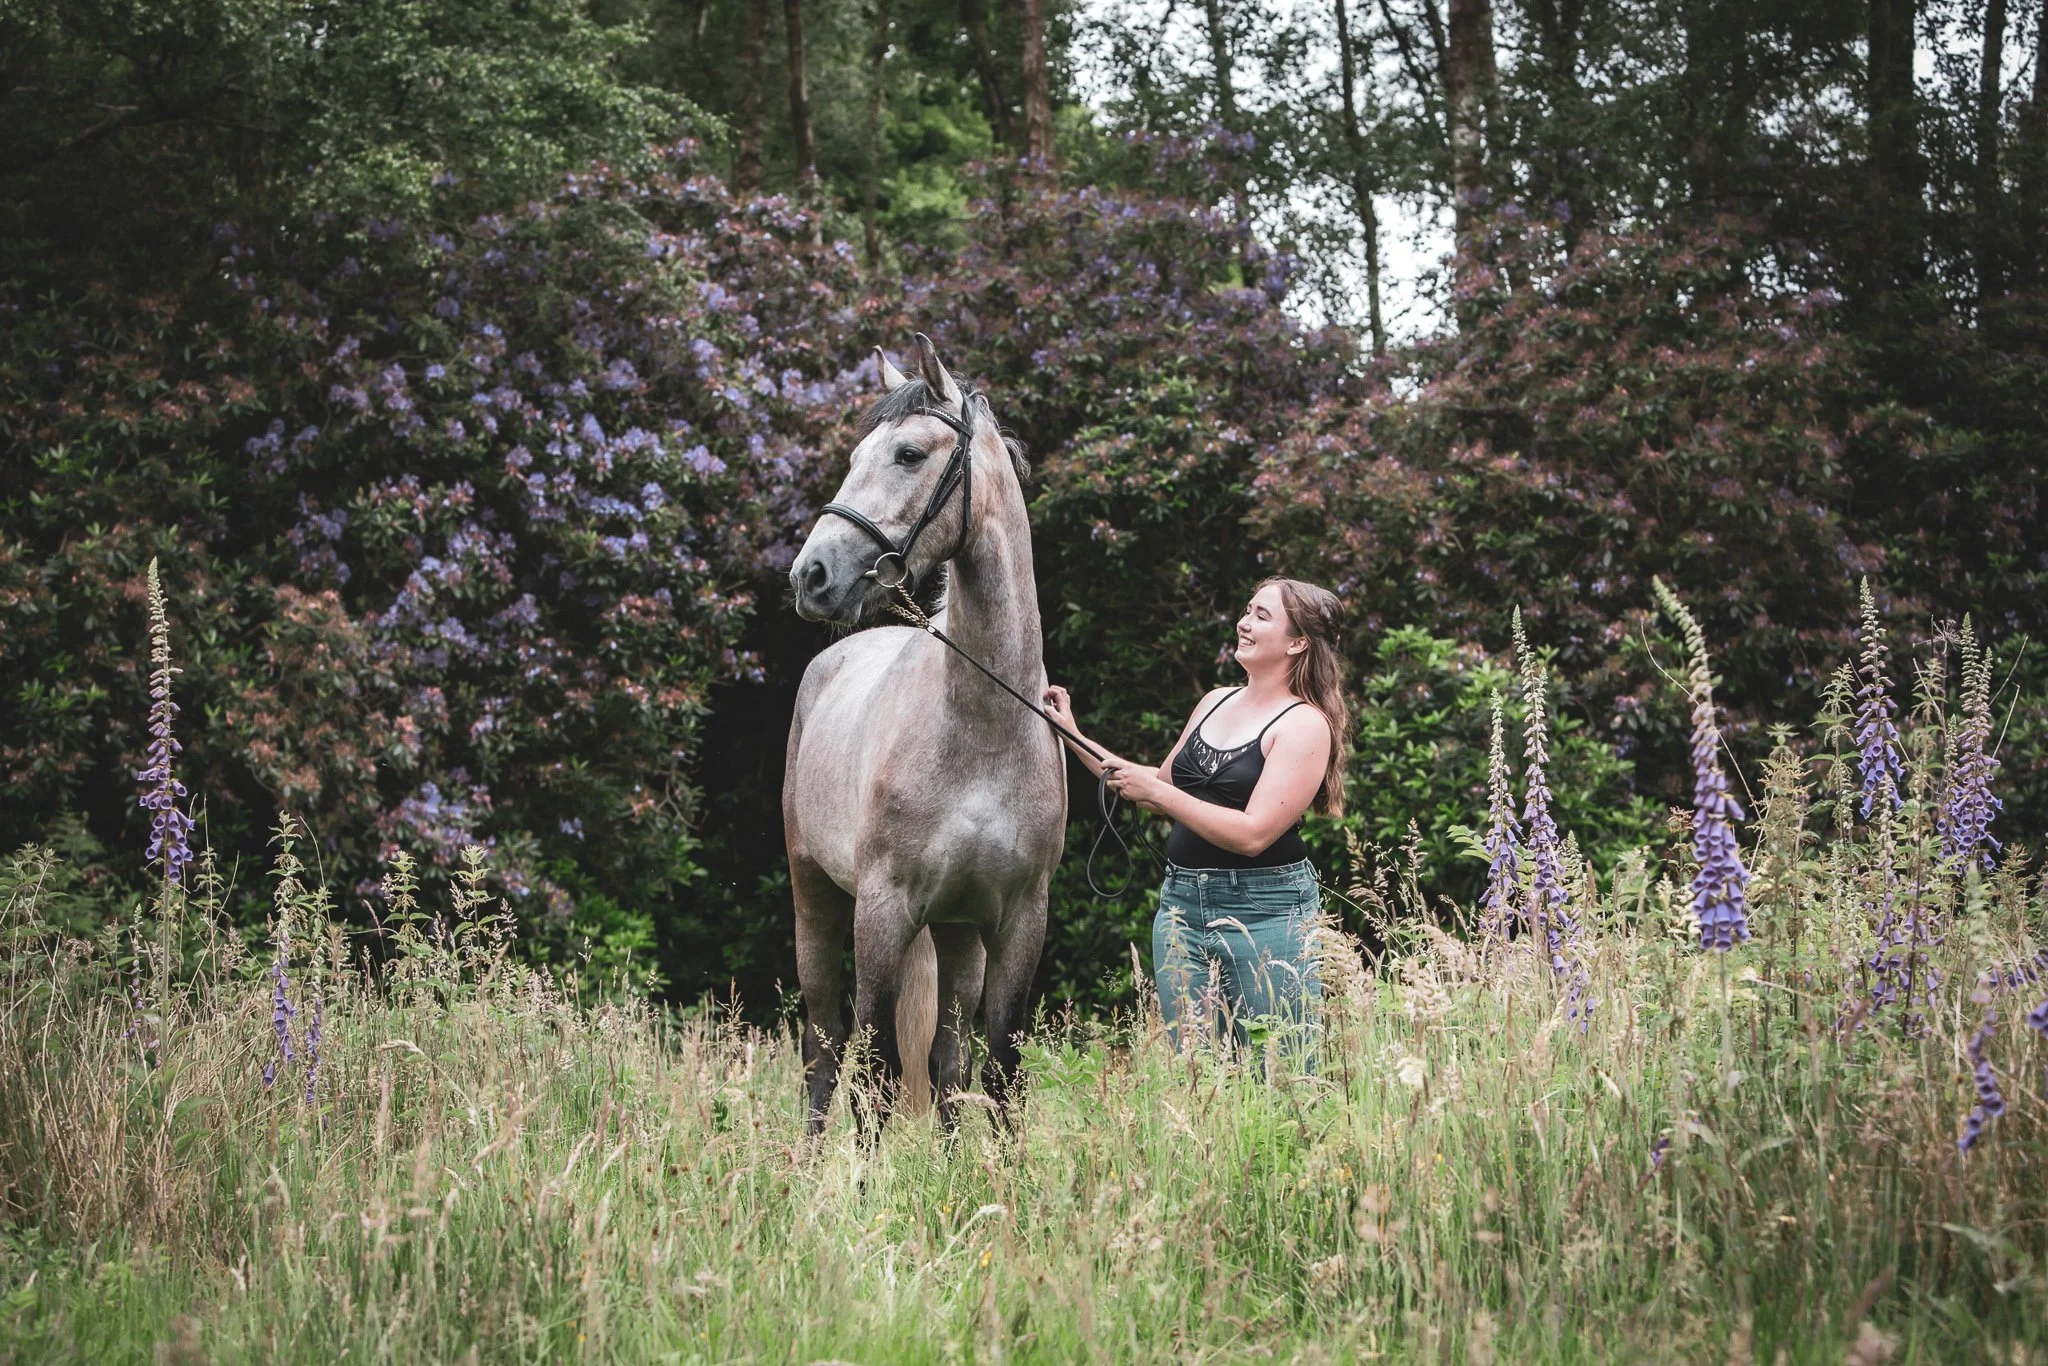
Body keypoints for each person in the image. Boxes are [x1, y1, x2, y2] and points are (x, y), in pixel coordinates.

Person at [1043, 578, 1349, 1062]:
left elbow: (1253, 834)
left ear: (1297, 642)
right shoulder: (1214, 701)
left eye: (1262, 616)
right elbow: (1155, 784)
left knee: (1279, 1072)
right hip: (1181, 907)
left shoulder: (1304, 724)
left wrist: (1160, 796)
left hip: (1266, 914)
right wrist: (1070, 733)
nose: (1244, 624)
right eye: (1247, 611)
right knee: (1197, 1074)